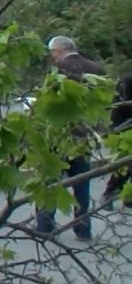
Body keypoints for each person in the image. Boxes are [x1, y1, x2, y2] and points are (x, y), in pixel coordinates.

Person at [37, 35, 107, 242]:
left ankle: (45, 225)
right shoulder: (97, 69)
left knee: (50, 181)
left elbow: (46, 104)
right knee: (81, 183)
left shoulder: (58, 72)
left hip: (58, 136)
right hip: (84, 136)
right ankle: (83, 228)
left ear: (56, 52)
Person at [102, 73, 132, 207]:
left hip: (123, 123)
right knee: (124, 164)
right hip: (124, 125)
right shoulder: (128, 79)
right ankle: (110, 192)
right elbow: (122, 102)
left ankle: (127, 195)